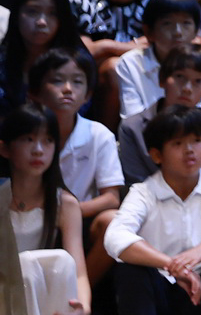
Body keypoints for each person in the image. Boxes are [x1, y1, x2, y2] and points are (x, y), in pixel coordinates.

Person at [106, 104, 201, 315]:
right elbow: (115, 237)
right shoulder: (143, 192)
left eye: (197, 141)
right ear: (157, 155)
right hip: (164, 288)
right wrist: (171, 265)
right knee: (129, 270)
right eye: (178, 143)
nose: (190, 150)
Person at [28, 48, 123, 288]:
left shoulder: (98, 134)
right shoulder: (22, 134)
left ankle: (78, 294)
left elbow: (111, 199)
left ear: (88, 95)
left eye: (77, 82)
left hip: (81, 220)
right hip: (28, 216)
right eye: (57, 81)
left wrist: (67, 212)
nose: (68, 88)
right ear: (35, 93)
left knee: (113, 222)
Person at [2, 101, 92, 315]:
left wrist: (84, 306)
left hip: (45, 296)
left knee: (61, 261)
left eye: (48, 140)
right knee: (26, 265)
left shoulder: (65, 204)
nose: (38, 150)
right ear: (4, 148)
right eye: (29, 140)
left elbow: (78, 272)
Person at [119, 48, 201, 189]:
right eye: (180, 77)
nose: (187, 88)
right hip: (155, 205)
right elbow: (135, 186)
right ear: (162, 80)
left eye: (198, 81)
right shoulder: (132, 127)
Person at [115, 0, 201, 123]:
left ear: (196, 31)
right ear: (148, 31)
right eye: (167, 23)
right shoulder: (131, 63)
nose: (178, 33)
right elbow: (133, 121)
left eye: (186, 23)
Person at [1, 0, 82, 110]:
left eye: (52, 13)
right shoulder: (3, 60)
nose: (41, 22)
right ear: (16, 15)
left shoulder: (79, 63)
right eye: (32, 12)